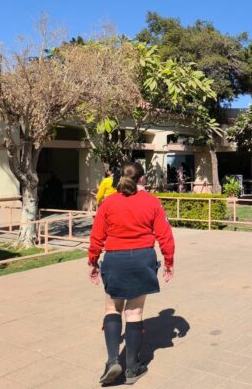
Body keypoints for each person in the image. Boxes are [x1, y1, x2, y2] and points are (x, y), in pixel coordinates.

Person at [88, 162, 175, 385]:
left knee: (111, 309)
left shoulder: (108, 202)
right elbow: (165, 234)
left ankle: (112, 361)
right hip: (142, 259)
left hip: (115, 260)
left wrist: (93, 261)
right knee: (134, 312)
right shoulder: (152, 202)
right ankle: (132, 368)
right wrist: (168, 261)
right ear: (142, 179)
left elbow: (97, 235)